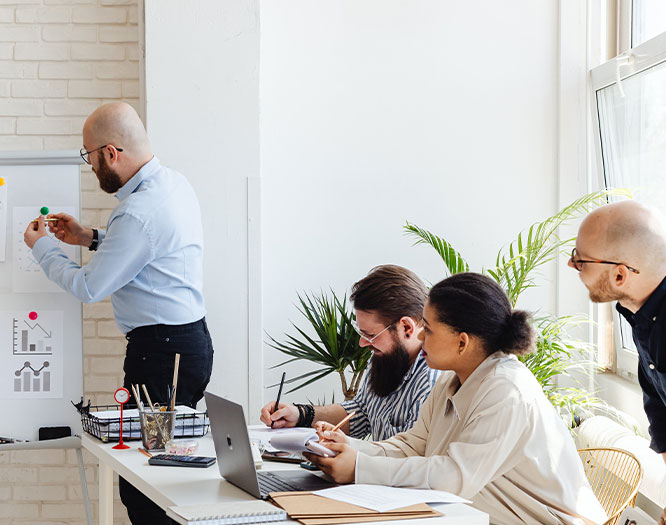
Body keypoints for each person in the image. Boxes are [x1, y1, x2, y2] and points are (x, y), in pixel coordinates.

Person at [23, 102, 213, 525]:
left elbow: (89, 287)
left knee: (147, 485)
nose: (89, 166)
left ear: (111, 153)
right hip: (184, 345)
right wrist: (89, 236)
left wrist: (44, 250)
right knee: (159, 474)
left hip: (163, 354)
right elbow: (146, 250)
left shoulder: (138, 211)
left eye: (89, 155)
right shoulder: (173, 185)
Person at [307, 273, 607, 525]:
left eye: (430, 329)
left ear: (462, 342)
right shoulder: (454, 380)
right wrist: (348, 448)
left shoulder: (506, 390)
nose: (421, 336)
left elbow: (454, 478)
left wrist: (359, 467)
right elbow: (413, 446)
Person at [569, 200, 666, 525]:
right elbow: (662, 414)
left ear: (619, 275)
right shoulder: (642, 314)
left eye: (580, 259)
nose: (572, 266)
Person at [260, 264, 440, 440]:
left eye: (370, 335)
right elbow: (360, 412)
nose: (363, 343)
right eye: (361, 333)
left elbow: (409, 459)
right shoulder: (383, 357)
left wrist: (348, 458)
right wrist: (301, 414)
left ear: (407, 327)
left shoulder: (432, 383)